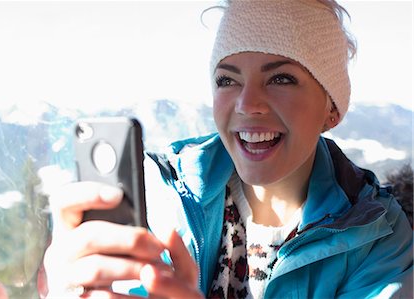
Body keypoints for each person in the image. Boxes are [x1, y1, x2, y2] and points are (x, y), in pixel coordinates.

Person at [43, 0, 413, 298]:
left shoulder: (376, 234)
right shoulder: (159, 198)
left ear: (331, 108)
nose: (247, 103)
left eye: (281, 78)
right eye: (227, 80)